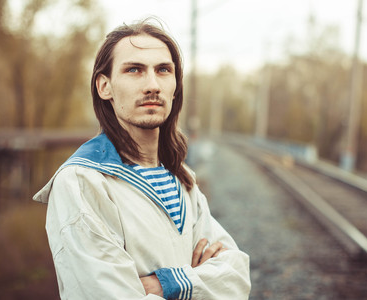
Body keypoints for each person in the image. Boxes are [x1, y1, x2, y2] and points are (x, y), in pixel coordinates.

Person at [33, 18, 251, 299]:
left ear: (175, 86)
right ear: (104, 87)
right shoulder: (82, 182)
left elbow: (236, 277)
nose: (152, 85)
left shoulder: (182, 179)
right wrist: (199, 280)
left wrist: (168, 284)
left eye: (163, 70)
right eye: (134, 69)